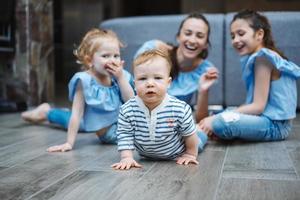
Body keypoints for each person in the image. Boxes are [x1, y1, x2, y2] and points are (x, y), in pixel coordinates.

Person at [21, 28, 134, 152]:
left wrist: (121, 78)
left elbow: (131, 102)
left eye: (116, 56)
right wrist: (69, 143)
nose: (112, 60)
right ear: (89, 60)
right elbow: (76, 114)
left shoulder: (120, 76)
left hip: (127, 124)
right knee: (79, 122)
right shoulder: (84, 81)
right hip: (112, 133)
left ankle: (48, 112)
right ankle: (47, 113)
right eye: (105, 56)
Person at [199, 10, 300, 141]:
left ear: (259, 34)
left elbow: (258, 106)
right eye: (232, 36)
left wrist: (217, 119)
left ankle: (204, 132)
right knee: (219, 115)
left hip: (275, 126)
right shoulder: (262, 56)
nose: (235, 40)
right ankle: (208, 130)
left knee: (220, 122)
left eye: (241, 34)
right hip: (269, 121)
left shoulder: (263, 58)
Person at [111, 49, 208, 170]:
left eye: (157, 78)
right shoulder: (127, 110)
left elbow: (189, 136)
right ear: (134, 84)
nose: (150, 83)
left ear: (168, 83)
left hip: (178, 151)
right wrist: (126, 157)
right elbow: (125, 134)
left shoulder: (179, 109)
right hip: (146, 156)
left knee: (197, 139)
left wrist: (190, 154)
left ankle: (202, 132)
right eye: (142, 79)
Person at [134, 12, 219, 123]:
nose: (192, 40)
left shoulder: (205, 70)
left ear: (206, 44)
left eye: (200, 36)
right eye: (188, 33)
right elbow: (137, 90)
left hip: (173, 122)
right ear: (178, 37)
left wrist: (203, 90)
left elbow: (202, 121)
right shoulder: (153, 49)